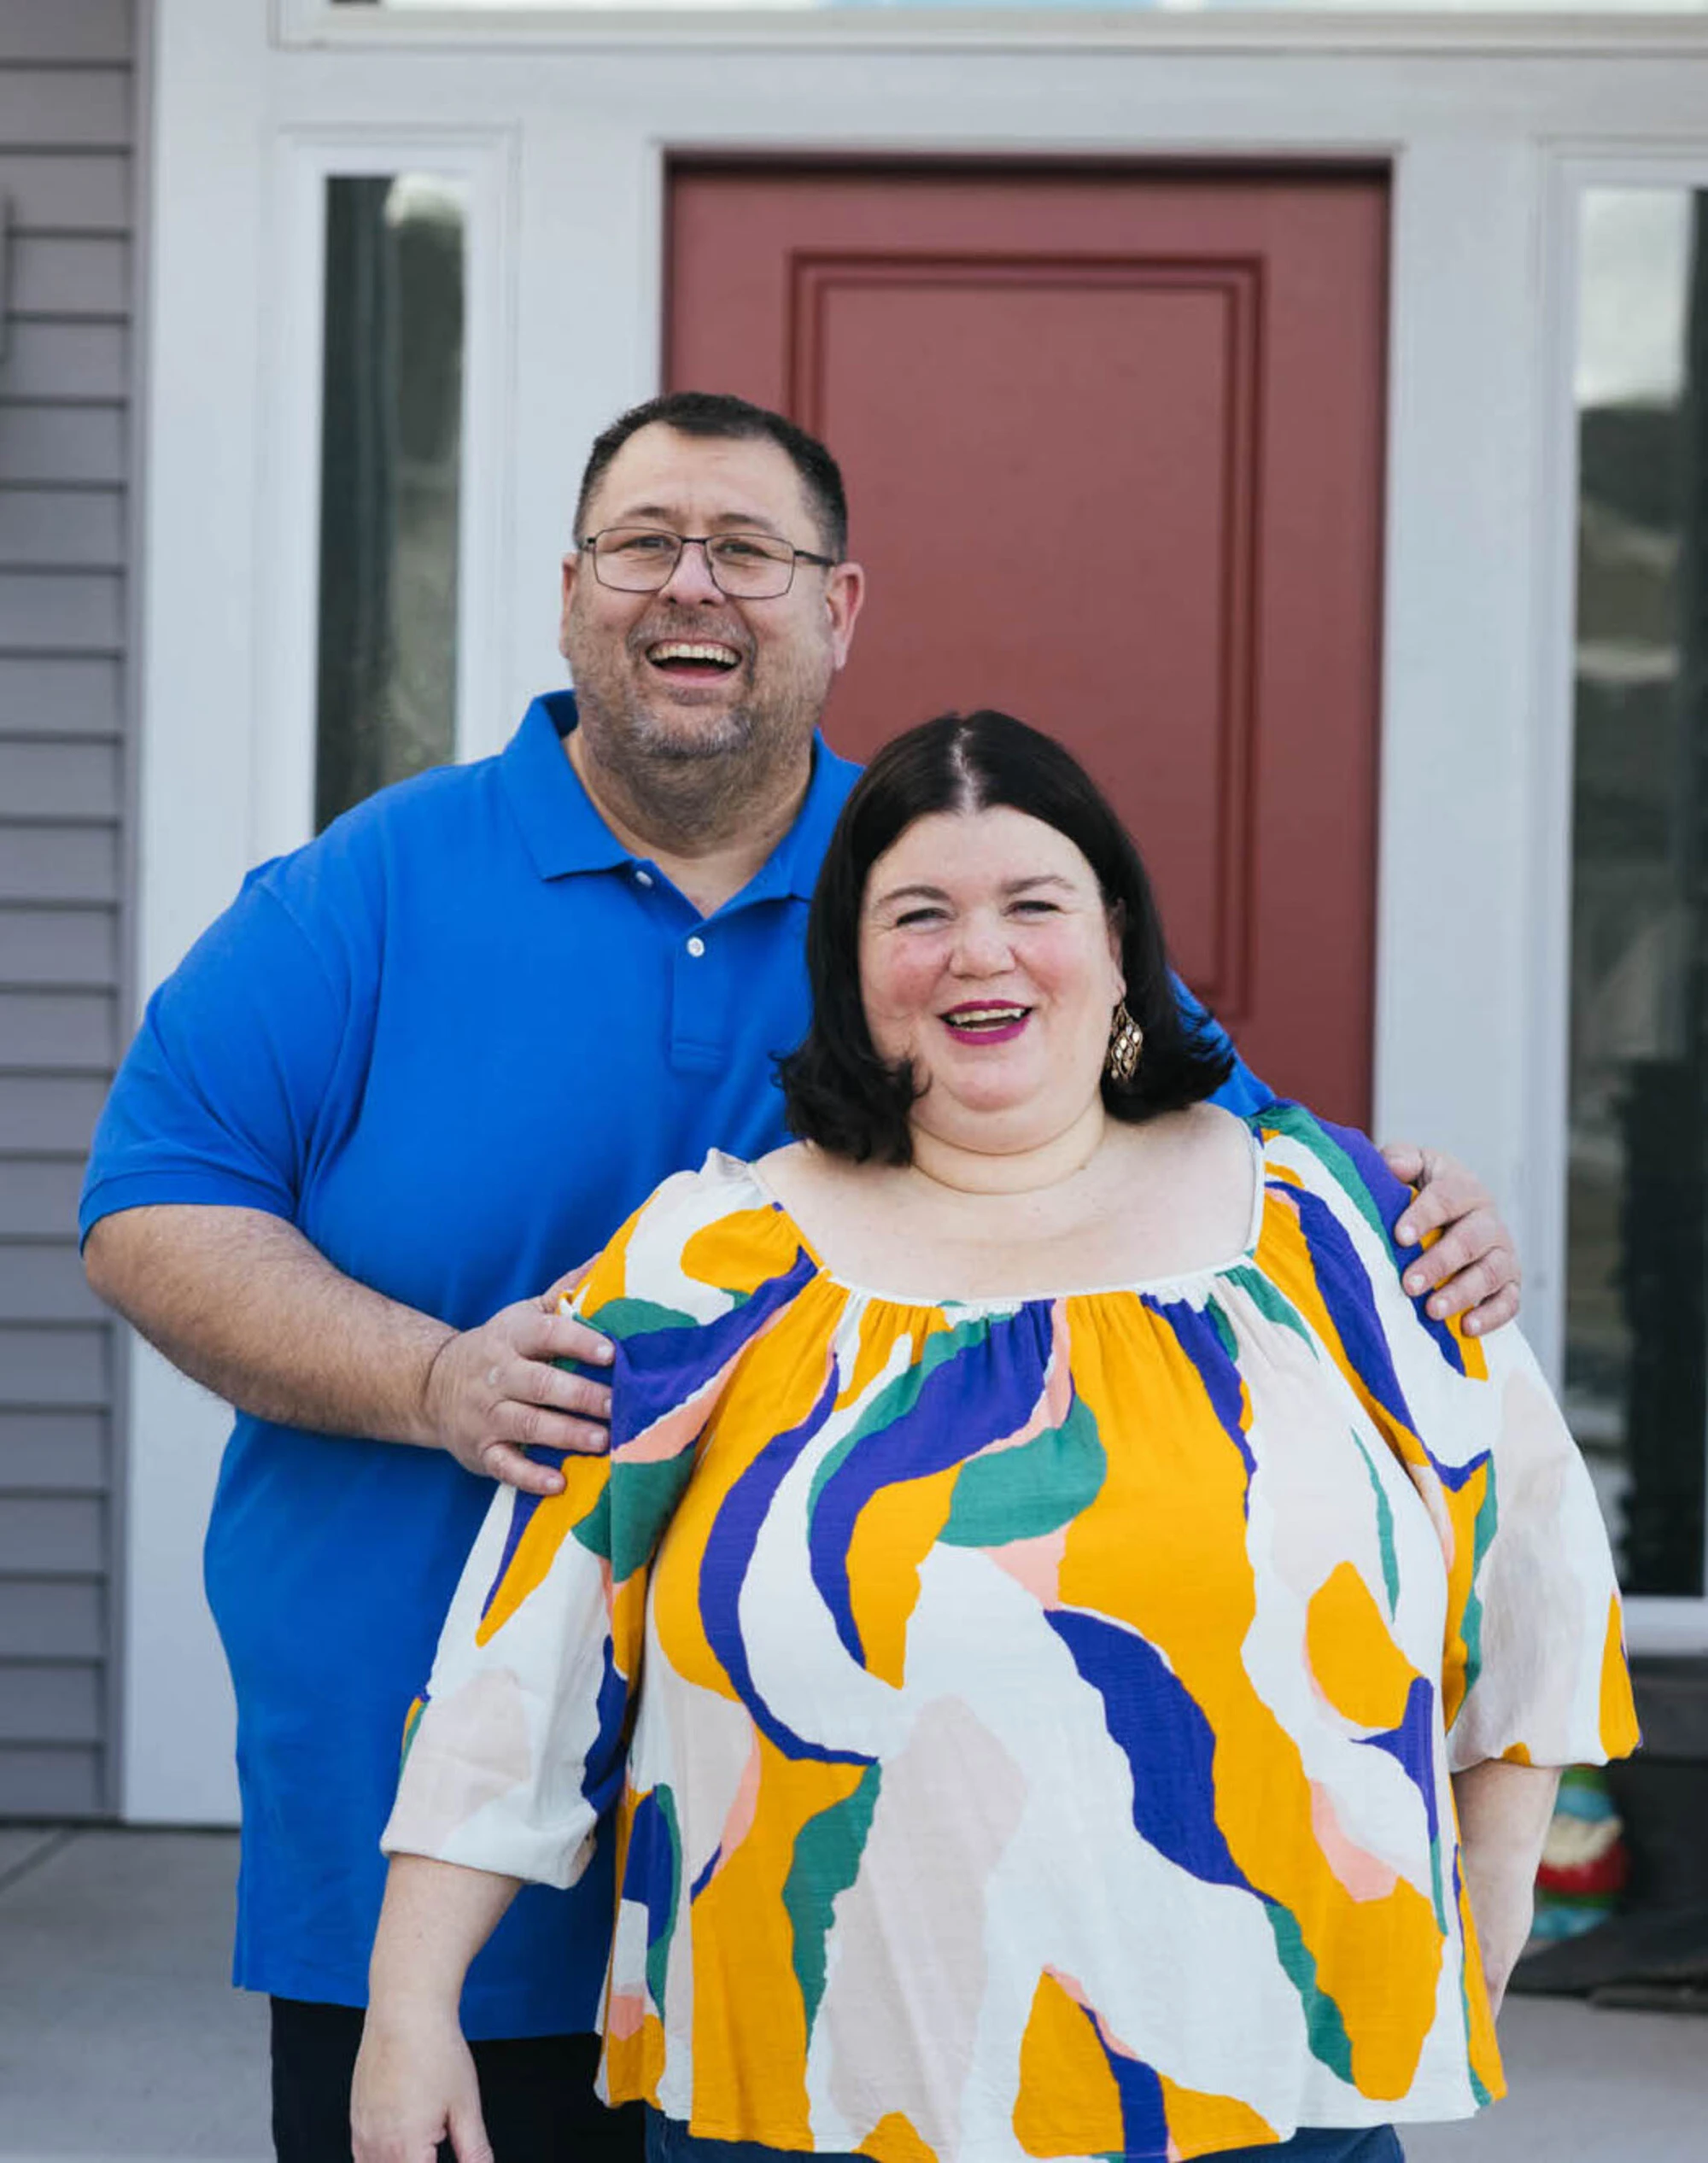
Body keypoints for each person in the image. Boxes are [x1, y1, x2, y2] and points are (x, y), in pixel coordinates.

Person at [79, 395, 1523, 2163]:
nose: (693, 589)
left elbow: (1224, 1160)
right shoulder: (362, 895)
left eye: (749, 553)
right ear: (568, 591)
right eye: (644, 545)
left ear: (838, 608)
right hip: (431, 1822)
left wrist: (1433, 1215)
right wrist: (429, 1380)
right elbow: (156, 1212)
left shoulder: (937, 883)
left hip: (859, 1888)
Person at [354, 710, 1638, 2163]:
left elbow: (1527, 1543)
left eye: (1033, 904)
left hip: (1272, 2094)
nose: (981, 952)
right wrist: (409, 2005)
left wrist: (1501, 1877)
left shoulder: (1333, 1223)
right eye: (921, 914)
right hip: (807, 2103)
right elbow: (524, 1656)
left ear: (1115, 943)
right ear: (853, 967)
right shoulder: (709, 1265)